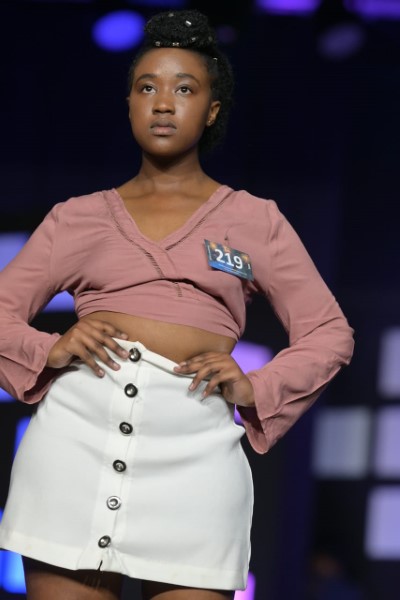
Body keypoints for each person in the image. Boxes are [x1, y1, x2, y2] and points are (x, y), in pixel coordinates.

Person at [0, 9, 354, 600]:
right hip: (74, 444)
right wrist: (49, 348)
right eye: (148, 88)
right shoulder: (76, 217)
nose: (163, 104)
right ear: (129, 104)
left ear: (212, 110)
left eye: (184, 89)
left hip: (196, 455)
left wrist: (256, 386)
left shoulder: (255, 220)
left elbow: (329, 333)